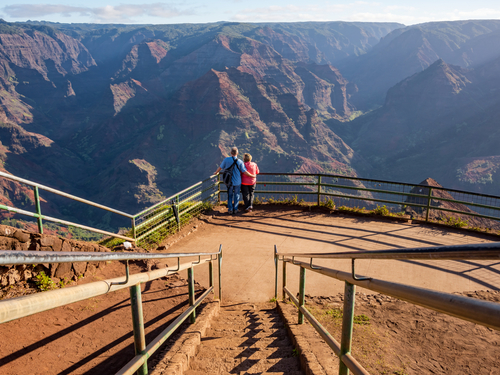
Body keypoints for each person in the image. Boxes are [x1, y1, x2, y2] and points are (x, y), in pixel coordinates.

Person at [215, 147, 255, 214]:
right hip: (237, 182)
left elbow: (220, 167)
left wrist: (216, 172)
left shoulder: (226, 160)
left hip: (229, 181)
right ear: (237, 153)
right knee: (237, 195)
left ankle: (230, 209)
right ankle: (235, 209)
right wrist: (252, 176)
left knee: (230, 195)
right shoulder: (240, 162)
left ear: (231, 153)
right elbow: (244, 171)